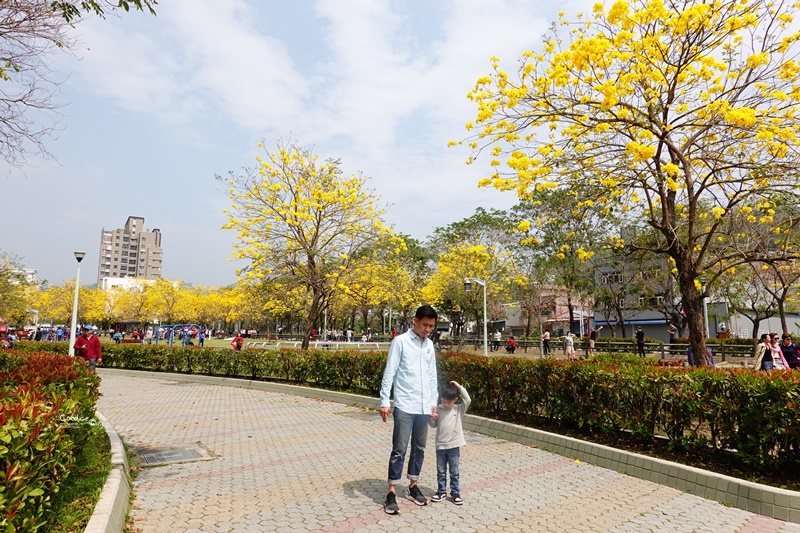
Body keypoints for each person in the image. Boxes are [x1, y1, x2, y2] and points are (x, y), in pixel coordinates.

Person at [379, 304, 439, 515]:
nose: (428, 329)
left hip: (424, 406)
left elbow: (432, 376)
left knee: (419, 448)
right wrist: (384, 401)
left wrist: (434, 404)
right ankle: (391, 491)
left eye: (431, 326)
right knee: (399, 449)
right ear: (415, 320)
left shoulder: (429, 345)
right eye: (425, 325)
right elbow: (390, 372)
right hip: (405, 404)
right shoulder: (400, 342)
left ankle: (413, 485)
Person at [428, 381, 471, 505]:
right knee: (441, 470)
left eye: (449, 402)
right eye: (443, 401)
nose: (446, 404)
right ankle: (441, 491)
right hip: (441, 445)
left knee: (454, 471)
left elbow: (467, 400)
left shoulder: (458, 409)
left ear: (455, 400)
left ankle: (455, 493)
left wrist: (459, 387)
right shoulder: (438, 409)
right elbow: (433, 425)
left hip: (454, 445)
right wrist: (432, 418)